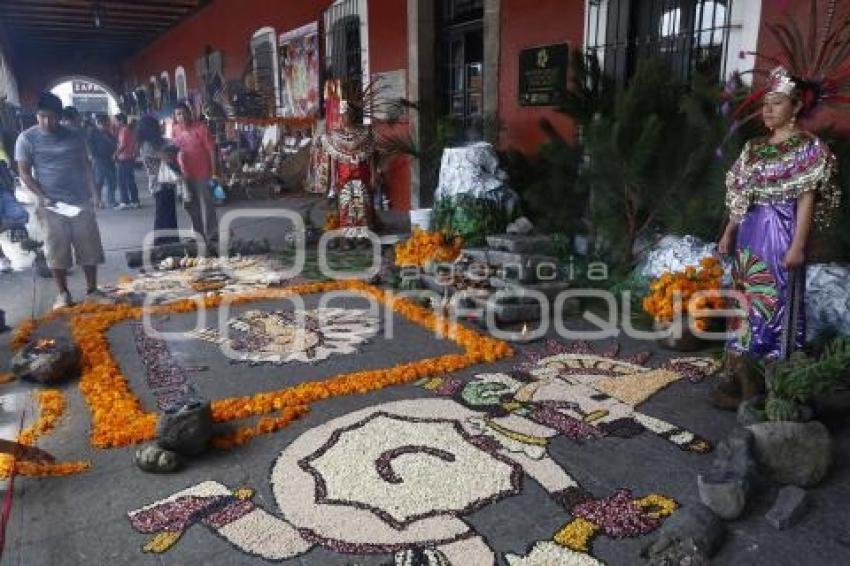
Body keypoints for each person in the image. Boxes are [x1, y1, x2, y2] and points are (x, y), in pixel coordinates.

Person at [713, 67, 841, 408]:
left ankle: (775, 378)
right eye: (765, 103)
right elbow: (741, 197)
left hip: (781, 235)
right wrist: (729, 232)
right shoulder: (754, 148)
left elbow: (806, 199)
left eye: (777, 103)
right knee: (745, 299)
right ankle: (741, 373)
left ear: (796, 106)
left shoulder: (808, 148)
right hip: (749, 236)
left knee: (777, 299)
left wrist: (798, 245)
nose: (768, 110)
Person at [15, 92, 106, 309]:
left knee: (88, 245)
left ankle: (92, 289)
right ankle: (63, 294)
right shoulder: (26, 139)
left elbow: (86, 166)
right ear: (37, 116)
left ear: (60, 116)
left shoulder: (75, 136)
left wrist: (95, 194)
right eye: (42, 117)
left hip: (79, 201)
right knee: (56, 249)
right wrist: (42, 196)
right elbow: (25, 174)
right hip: (50, 205)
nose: (47, 122)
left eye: (51, 117)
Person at [322, 98, 376, 249]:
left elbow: (371, 156)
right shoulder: (334, 136)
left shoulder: (365, 134)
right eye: (343, 114)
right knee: (346, 205)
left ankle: (363, 237)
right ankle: (348, 237)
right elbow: (334, 160)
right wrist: (333, 182)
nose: (346, 117)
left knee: (362, 205)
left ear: (354, 115)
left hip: (362, 175)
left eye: (349, 114)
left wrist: (373, 174)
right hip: (344, 177)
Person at [171, 102, 219, 244]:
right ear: (175, 117)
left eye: (184, 112)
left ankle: (212, 233)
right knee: (191, 205)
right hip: (185, 174)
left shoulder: (201, 128)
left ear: (189, 113)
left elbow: (211, 150)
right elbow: (173, 150)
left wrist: (214, 172)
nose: (182, 116)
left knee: (207, 204)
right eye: (178, 114)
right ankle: (198, 234)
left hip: (203, 172)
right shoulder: (174, 130)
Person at [137, 115, 179, 246]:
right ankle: (161, 241)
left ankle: (171, 239)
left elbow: (172, 145)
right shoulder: (148, 145)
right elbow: (166, 157)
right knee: (163, 212)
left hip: (166, 182)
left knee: (169, 211)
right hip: (158, 183)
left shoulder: (154, 142)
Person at [88, 114, 119, 208]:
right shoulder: (92, 133)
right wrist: (93, 156)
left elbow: (114, 143)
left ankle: (111, 201)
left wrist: (115, 153)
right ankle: (98, 201)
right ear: (99, 123)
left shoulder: (109, 134)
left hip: (110, 160)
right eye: (106, 124)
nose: (108, 126)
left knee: (112, 181)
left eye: (108, 124)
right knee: (99, 182)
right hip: (99, 160)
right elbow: (90, 147)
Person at [114, 112, 140, 209]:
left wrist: (115, 154)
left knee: (121, 181)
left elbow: (123, 144)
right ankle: (135, 201)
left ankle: (125, 202)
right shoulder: (128, 130)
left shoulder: (124, 130)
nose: (115, 122)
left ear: (121, 121)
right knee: (130, 180)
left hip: (124, 158)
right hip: (129, 158)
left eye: (116, 121)